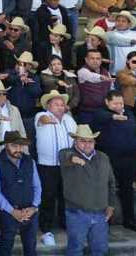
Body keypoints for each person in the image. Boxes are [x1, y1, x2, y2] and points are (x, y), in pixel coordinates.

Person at [59, 125, 117, 256]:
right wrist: (73, 159)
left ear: (94, 142)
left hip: (100, 213)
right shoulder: (65, 153)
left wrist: (111, 205)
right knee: (75, 250)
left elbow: (111, 183)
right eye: (82, 141)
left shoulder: (103, 157)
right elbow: (66, 156)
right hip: (77, 213)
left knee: (100, 250)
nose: (87, 144)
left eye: (90, 141)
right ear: (75, 141)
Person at [91, 91, 136, 234]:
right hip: (109, 159)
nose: (119, 106)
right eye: (115, 103)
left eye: (121, 103)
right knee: (107, 190)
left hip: (129, 158)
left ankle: (130, 220)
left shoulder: (128, 112)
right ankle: (104, 224)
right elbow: (101, 117)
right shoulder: (100, 113)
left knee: (128, 190)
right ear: (107, 102)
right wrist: (114, 116)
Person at [34, 90, 77, 246]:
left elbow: (76, 137)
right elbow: (43, 120)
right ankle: (46, 228)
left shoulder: (69, 119)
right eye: (56, 104)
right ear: (48, 106)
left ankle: (65, 224)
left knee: (66, 195)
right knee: (48, 196)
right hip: (47, 165)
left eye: (62, 104)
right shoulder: (41, 115)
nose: (60, 107)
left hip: (67, 165)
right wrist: (49, 119)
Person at [0, 130, 41, 256]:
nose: (18, 149)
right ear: (6, 145)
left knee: (31, 248)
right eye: (14, 146)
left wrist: (34, 206)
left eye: (20, 146)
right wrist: (12, 211)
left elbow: (37, 186)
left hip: (30, 211)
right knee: (5, 247)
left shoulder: (30, 161)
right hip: (7, 212)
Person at [106, 11, 136, 75]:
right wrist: (130, 42)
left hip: (135, 72)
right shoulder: (109, 34)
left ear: (129, 24)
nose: (120, 23)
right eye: (118, 20)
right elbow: (117, 41)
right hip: (116, 72)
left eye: (123, 21)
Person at [76, 49, 113, 124]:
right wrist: (103, 78)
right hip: (87, 112)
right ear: (86, 60)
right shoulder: (82, 72)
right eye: (92, 58)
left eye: (98, 58)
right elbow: (92, 77)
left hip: (104, 111)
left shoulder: (106, 72)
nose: (95, 61)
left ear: (101, 60)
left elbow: (111, 89)